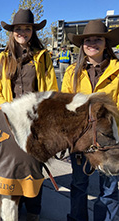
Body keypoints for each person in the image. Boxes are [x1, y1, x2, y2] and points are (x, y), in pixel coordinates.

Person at [0, 9, 58, 221]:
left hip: (34, 123)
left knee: (34, 167)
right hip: (9, 121)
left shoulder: (42, 57)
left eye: (27, 29)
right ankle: (12, 208)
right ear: (12, 31)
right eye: (18, 29)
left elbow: (50, 90)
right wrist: (7, 108)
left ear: (32, 31)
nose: (22, 32)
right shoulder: (2, 58)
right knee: (11, 166)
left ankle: (33, 210)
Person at [61, 19, 119, 221]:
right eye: (87, 40)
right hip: (81, 142)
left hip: (109, 142)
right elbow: (66, 107)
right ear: (81, 45)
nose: (92, 44)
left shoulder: (118, 71)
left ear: (106, 44)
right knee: (78, 186)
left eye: (97, 40)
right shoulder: (72, 73)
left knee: (109, 190)